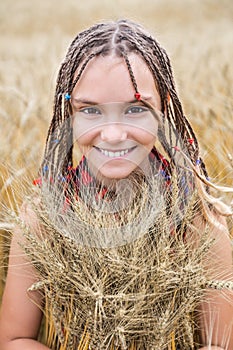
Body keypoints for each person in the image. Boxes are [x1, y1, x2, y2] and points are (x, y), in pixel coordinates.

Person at [0, 19, 232, 350]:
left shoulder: (197, 218)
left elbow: (222, 344)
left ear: (163, 108)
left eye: (135, 109)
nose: (112, 134)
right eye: (91, 110)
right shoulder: (42, 219)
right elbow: (14, 339)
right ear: (70, 113)